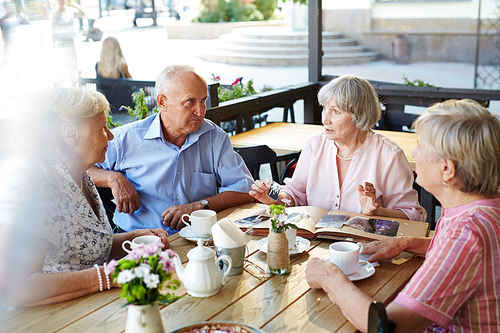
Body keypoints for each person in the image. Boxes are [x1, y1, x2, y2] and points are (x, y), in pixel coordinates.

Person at [306, 99, 500, 332]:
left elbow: (388, 327)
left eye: (421, 146)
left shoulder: (466, 232)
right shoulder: (485, 205)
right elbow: (467, 257)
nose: (414, 153)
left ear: (447, 170)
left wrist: (330, 278)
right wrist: (406, 242)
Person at [1, 88, 169, 308]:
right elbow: (17, 288)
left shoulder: (81, 175)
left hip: (93, 308)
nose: (110, 135)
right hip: (51, 320)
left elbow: (87, 247)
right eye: (102, 128)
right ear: (70, 134)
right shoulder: (38, 189)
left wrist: (136, 238)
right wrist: (109, 276)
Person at [89, 65, 254, 235]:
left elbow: (244, 189)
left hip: (197, 238)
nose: (200, 111)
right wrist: (112, 178)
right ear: (162, 102)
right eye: (190, 102)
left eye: (203, 101)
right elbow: (79, 166)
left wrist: (198, 206)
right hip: (136, 243)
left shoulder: (214, 137)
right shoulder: (125, 139)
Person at [250, 74, 426, 221]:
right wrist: (273, 197)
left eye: (335, 111)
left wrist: (377, 212)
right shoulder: (314, 143)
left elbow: (414, 215)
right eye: (324, 109)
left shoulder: (389, 155)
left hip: (363, 249)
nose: (325, 119)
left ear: (359, 116)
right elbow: (294, 193)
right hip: (314, 243)